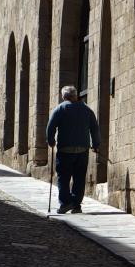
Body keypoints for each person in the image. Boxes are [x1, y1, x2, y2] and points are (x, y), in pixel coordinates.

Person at [46, 85, 100, 214]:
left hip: (65, 149)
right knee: (79, 178)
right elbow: (94, 128)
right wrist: (96, 144)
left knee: (63, 178)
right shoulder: (87, 110)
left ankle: (65, 203)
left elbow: (50, 127)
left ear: (64, 97)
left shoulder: (60, 109)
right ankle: (76, 205)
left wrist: (51, 140)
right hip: (82, 150)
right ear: (76, 96)